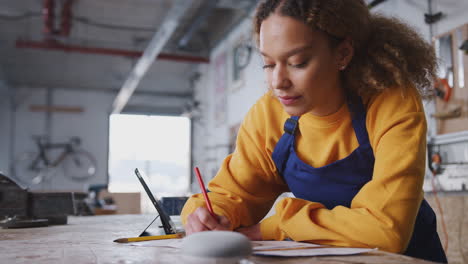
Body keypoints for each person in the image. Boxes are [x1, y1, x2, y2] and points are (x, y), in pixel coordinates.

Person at [181, 0, 447, 262]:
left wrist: (279, 225)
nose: (278, 82)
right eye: (269, 64)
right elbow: (235, 193)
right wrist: (209, 214)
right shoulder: (268, 114)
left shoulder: (389, 100)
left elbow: (385, 229)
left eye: (297, 62)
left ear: (343, 53)